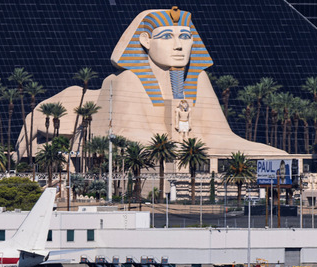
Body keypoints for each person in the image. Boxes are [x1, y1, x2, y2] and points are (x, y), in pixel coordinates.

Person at [19, 7, 290, 171]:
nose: (179, 45)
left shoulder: (198, 80)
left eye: (185, 37)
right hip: (83, 126)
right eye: (167, 37)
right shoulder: (129, 79)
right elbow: (129, 138)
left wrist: (261, 152)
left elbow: (219, 136)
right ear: (145, 41)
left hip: (173, 148)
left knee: (273, 153)